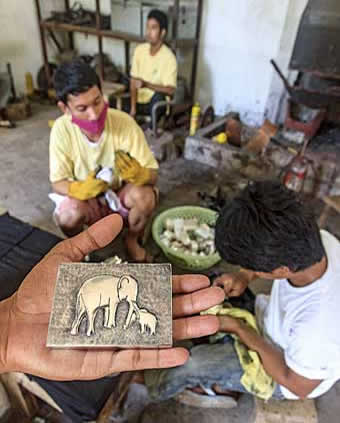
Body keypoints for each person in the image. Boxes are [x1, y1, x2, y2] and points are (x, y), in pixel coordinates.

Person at [144, 181, 340, 402]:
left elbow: (297, 385)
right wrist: (244, 276)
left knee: (190, 364)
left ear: (281, 270)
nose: (249, 270)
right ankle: (219, 373)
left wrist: (241, 329)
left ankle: (148, 392)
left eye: (254, 267)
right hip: (271, 322)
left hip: (283, 372)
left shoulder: (319, 330)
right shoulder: (319, 241)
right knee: (205, 286)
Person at [0, 214, 224, 379]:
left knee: (104, 315)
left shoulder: (122, 289)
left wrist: (7, 339)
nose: (132, 298)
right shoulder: (114, 288)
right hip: (93, 294)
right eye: (130, 293)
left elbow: (115, 310)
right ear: (123, 287)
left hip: (101, 293)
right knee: (89, 313)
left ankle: (83, 325)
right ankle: (84, 326)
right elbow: (111, 308)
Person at [50, 59, 159, 262]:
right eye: (82, 108)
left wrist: (143, 175)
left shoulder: (124, 122)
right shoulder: (61, 130)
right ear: (65, 108)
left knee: (146, 196)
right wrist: (78, 189)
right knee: (68, 215)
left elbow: (153, 174)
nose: (94, 114)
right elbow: (57, 183)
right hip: (88, 202)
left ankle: (131, 240)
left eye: (98, 101)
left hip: (119, 196)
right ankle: (81, 248)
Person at [129, 9, 177, 128]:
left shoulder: (169, 58)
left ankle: (151, 130)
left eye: (153, 28)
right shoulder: (139, 50)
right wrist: (133, 110)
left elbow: (171, 90)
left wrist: (147, 84)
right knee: (114, 104)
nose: (149, 32)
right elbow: (133, 81)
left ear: (163, 33)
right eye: (148, 27)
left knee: (158, 98)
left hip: (155, 105)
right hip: (139, 100)